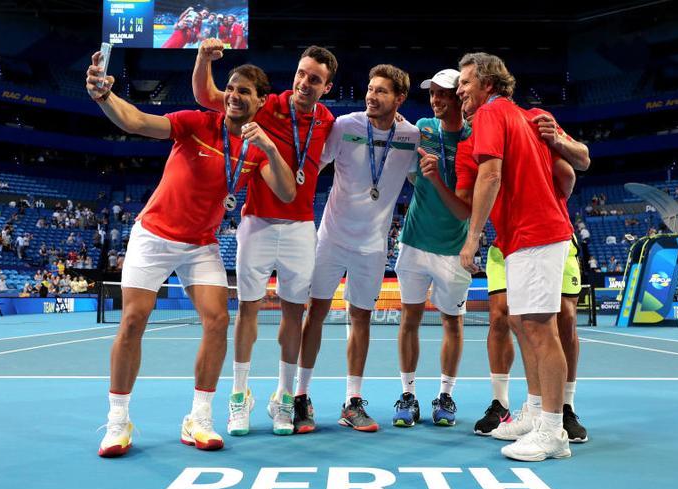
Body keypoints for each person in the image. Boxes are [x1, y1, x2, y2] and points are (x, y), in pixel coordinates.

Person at [87, 52, 295, 457]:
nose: (234, 96)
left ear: (260, 102)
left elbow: (287, 191)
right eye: (231, 88)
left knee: (218, 321)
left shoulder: (254, 148)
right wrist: (103, 96)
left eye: (244, 92)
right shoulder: (197, 123)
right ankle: (118, 422)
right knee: (132, 320)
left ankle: (199, 417)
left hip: (200, 243)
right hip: (154, 234)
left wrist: (269, 149)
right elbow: (136, 121)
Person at [194, 40, 336, 436]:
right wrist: (203, 59)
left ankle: (285, 398)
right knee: (248, 310)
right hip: (256, 223)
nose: (305, 83)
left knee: (295, 313)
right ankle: (239, 396)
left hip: (300, 229)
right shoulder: (266, 104)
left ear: (326, 87)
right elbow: (208, 96)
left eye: (316, 79)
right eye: (302, 74)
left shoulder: (328, 121)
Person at [457, 52, 575, 461]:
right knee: (525, 326)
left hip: (536, 233)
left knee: (542, 330)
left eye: (466, 83)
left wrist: (472, 238)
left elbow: (490, 174)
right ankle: (536, 411)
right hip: (528, 235)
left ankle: (554, 431)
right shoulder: (526, 118)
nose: (459, 90)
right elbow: (569, 174)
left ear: (488, 84)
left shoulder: (491, 115)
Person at [298, 64, 420, 433]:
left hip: (372, 247)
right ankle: (301, 398)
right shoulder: (345, 126)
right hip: (331, 238)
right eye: (370, 88)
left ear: (399, 99)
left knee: (361, 319)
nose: (372, 95)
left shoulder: (411, 136)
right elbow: (313, 166)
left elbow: (423, 178)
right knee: (315, 313)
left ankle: (352, 402)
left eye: (382, 91)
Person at [391, 69, 473, 428]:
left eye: (443, 94)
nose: (436, 100)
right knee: (409, 320)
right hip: (413, 244)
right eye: (433, 94)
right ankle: (408, 395)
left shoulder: (473, 140)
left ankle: (446, 397)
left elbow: (464, 210)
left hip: (454, 248)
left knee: (451, 323)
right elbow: (399, 133)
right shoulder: (424, 126)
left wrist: (436, 178)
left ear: (460, 98)